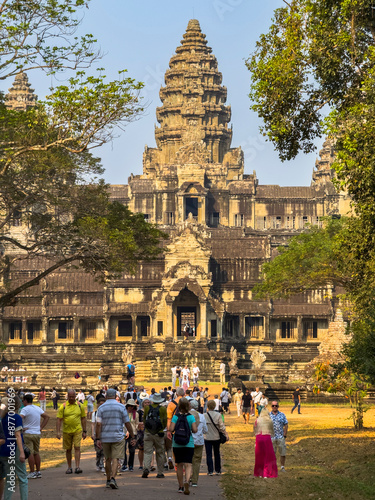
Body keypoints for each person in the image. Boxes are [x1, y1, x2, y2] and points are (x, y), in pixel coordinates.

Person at [95, 388, 136, 489]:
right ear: (115, 396)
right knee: (115, 458)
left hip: (105, 436)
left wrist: (98, 438)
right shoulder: (121, 407)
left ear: (106, 396)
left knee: (107, 459)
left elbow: (98, 424)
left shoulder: (101, 408)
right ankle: (113, 478)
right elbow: (127, 423)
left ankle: (108, 479)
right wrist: (132, 435)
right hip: (117, 436)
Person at [169, 397, 198, 494]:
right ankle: (187, 481)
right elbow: (194, 430)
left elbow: (171, 429)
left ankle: (181, 486)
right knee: (188, 464)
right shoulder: (191, 417)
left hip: (177, 444)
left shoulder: (175, 417)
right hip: (188, 443)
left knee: (179, 464)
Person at [56, 389, 87, 474]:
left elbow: (83, 418)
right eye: (70, 397)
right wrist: (58, 431)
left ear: (75, 396)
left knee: (77, 447)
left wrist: (85, 431)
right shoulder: (63, 406)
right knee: (68, 449)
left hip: (77, 430)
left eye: (73, 396)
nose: (72, 398)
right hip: (66, 431)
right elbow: (59, 419)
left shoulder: (80, 406)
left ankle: (77, 466)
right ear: (67, 396)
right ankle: (69, 467)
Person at [20, 394, 49, 479]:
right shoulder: (37, 408)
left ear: (25, 400)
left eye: (23, 400)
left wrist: (21, 427)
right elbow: (47, 417)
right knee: (36, 452)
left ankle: (32, 471)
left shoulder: (24, 409)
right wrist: (41, 427)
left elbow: (19, 417)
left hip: (28, 432)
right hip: (37, 433)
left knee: (30, 453)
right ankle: (38, 471)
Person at [0, 396, 23, 500]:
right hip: (13, 449)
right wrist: (22, 452)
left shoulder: (3, 417)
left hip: (2, 450)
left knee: (5, 478)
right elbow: (17, 435)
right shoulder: (16, 417)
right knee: (21, 478)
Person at [142, 392, 167, 478]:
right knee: (160, 452)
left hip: (148, 432)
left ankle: (146, 467)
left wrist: (148, 428)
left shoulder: (147, 408)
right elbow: (164, 422)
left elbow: (144, 420)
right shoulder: (163, 409)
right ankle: (160, 472)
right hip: (159, 433)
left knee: (148, 452)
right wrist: (161, 429)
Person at [204, 400, 228, 476]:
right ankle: (218, 470)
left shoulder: (204, 415)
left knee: (209, 454)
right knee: (217, 454)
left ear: (207, 406)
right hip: (216, 437)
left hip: (207, 437)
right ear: (214, 406)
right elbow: (221, 427)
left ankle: (210, 470)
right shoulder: (218, 415)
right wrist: (225, 433)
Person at [253, 407, 278, 478]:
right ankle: (266, 473)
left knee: (259, 456)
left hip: (259, 437)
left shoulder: (257, 420)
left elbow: (255, 429)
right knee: (268, 455)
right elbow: (272, 430)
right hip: (266, 438)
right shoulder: (269, 420)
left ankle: (259, 473)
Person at [190, 399, 208, 488]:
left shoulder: (187, 416)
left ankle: (188, 477)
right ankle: (195, 480)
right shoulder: (202, 416)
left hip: (188, 441)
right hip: (199, 441)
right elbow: (205, 430)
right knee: (196, 461)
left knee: (188, 460)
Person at [269, 401, 288, 472]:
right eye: (273, 406)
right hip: (271, 437)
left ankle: (282, 467)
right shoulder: (268, 415)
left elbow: (286, 424)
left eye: (276, 406)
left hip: (280, 436)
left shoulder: (282, 415)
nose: (274, 407)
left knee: (282, 452)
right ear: (271, 406)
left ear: (278, 406)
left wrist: (285, 433)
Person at [121, 399, 140, 472]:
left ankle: (131, 465)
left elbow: (136, 423)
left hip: (133, 433)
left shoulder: (136, 414)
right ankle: (124, 464)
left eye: (132, 406)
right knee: (123, 449)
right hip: (124, 433)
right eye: (129, 406)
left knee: (132, 450)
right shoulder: (123, 413)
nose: (131, 408)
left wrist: (138, 428)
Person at [91, 396, 105, 472]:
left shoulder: (106, 413)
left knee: (104, 451)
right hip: (97, 433)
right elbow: (93, 424)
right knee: (98, 450)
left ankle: (102, 465)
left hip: (104, 433)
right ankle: (98, 464)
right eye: (100, 404)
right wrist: (93, 433)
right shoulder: (95, 413)